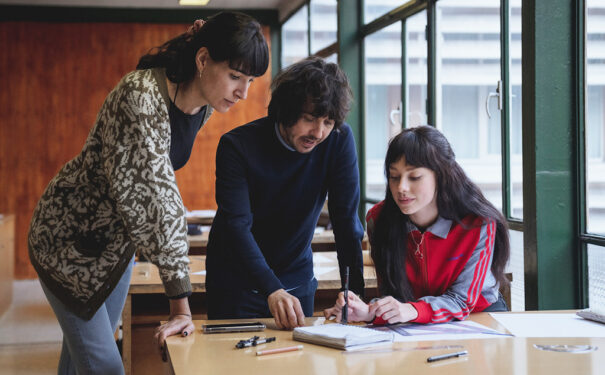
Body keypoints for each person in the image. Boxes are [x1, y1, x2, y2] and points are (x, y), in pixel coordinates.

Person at [27, 11, 268, 374]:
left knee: (81, 363)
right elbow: (156, 195)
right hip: (67, 241)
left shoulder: (201, 107)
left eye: (249, 80)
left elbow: (156, 186)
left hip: (115, 244)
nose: (243, 92)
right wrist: (180, 307)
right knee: (104, 366)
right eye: (235, 76)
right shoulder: (140, 96)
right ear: (203, 59)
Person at [206, 56, 365, 330]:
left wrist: (355, 295)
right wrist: (271, 289)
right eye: (309, 119)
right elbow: (237, 226)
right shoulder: (237, 146)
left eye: (328, 122)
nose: (318, 132)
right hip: (236, 282)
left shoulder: (338, 140)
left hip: (296, 280)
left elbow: (346, 222)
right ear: (286, 111)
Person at [324, 125, 510, 325]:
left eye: (414, 177)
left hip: (479, 317)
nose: (401, 188)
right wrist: (369, 311)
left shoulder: (477, 223)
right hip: (416, 321)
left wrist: (412, 309)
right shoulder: (379, 220)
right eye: (394, 177)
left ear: (442, 175)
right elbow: (393, 294)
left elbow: (462, 300)